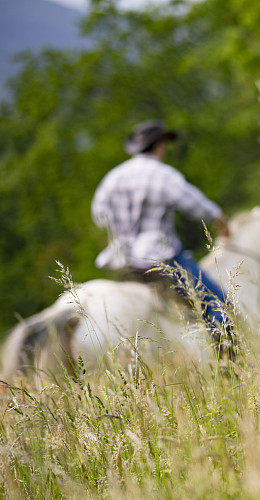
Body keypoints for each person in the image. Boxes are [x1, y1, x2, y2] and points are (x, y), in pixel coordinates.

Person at [91, 119, 232, 345]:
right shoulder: (164, 175)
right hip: (161, 260)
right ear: (158, 146)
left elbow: (98, 215)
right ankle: (230, 364)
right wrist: (219, 218)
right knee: (218, 302)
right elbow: (194, 205)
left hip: (124, 263)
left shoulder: (112, 178)